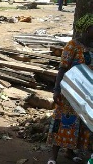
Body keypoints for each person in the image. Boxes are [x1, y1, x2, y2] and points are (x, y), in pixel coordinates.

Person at [46, 13, 93, 164]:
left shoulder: (91, 48)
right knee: (62, 121)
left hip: (85, 94)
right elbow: (62, 69)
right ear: (86, 29)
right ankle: (53, 156)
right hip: (69, 92)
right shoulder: (72, 45)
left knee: (80, 123)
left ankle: (70, 152)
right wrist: (56, 90)